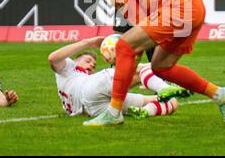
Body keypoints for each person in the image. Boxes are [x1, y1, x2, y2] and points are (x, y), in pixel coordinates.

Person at [77, 0, 225, 126]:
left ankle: (114, 113)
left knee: (124, 46)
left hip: (180, 7)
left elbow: (137, 35)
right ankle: (220, 94)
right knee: (161, 65)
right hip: (194, 5)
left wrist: (126, 67)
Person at [48, 36, 183, 119]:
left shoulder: (83, 78)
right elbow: (53, 58)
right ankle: (169, 84)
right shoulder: (68, 69)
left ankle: (146, 112)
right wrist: (88, 42)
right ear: (75, 60)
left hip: (95, 109)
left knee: (172, 102)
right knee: (141, 67)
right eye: (88, 61)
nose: (92, 65)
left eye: (94, 65)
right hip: (92, 91)